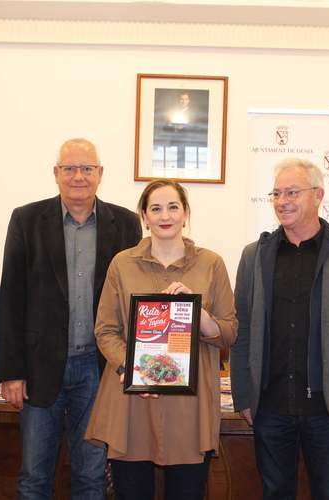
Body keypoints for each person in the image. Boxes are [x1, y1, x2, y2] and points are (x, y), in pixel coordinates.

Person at [230, 158, 329, 500]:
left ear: (318, 195)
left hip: (328, 407)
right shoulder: (254, 255)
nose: (282, 200)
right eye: (277, 193)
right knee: (274, 492)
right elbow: (242, 332)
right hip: (269, 406)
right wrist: (243, 395)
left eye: (292, 192)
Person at [0, 138, 141, 499]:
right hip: (39, 368)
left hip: (99, 370)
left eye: (87, 169)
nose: (79, 176)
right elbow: (11, 298)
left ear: (100, 174)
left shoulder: (125, 224)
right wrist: (11, 371)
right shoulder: (26, 220)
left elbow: (134, 300)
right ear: (56, 173)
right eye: (70, 168)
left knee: (91, 475)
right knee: (34, 476)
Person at [85, 179, 238, 500]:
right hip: (132, 400)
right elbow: (105, 330)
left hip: (190, 405)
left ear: (185, 213)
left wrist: (200, 315)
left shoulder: (211, 264)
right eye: (155, 208)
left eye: (173, 207)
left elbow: (229, 332)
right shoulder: (122, 264)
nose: (165, 215)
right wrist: (135, 369)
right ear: (144, 216)